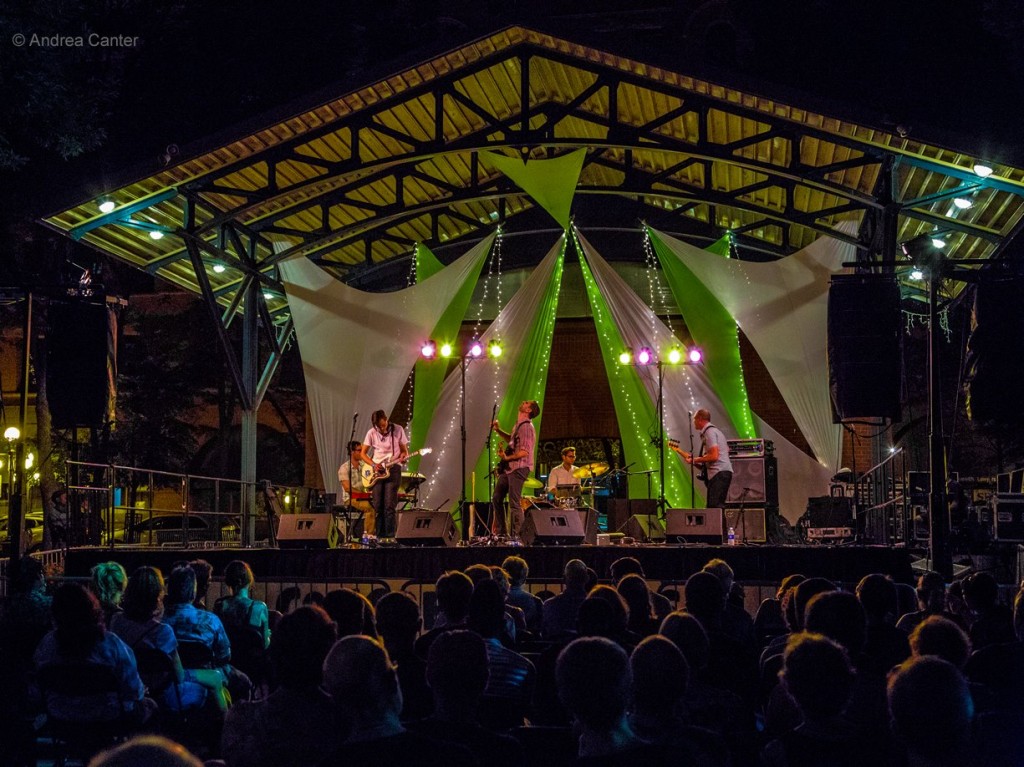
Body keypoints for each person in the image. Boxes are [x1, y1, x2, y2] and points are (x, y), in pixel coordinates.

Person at [490, 399, 540, 538]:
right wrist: (498, 430)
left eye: (527, 403)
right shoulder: (518, 425)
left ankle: (519, 536)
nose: (523, 402)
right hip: (510, 468)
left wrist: (506, 458)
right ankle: (502, 533)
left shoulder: (527, 427)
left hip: (520, 468)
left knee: (514, 502)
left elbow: (524, 452)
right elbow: (512, 441)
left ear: (529, 410)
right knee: (497, 498)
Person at [670, 408, 733, 509]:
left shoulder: (709, 432)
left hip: (719, 473)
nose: (693, 422)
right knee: (714, 508)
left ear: (700, 419)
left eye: (694, 419)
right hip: (720, 473)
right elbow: (710, 460)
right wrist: (694, 461)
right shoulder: (714, 431)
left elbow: (714, 456)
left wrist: (695, 459)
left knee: (714, 508)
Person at [361, 410, 409, 539]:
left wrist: (403, 456)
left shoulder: (398, 430)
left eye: (383, 425)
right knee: (378, 505)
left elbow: (404, 450)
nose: (382, 429)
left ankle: (390, 537)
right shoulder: (371, 433)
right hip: (377, 471)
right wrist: (373, 465)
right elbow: (363, 453)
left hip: (393, 468)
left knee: (389, 505)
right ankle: (380, 537)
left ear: (386, 419)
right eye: (379, 427)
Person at [338, 440, 375, 538]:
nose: (362, 453)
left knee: (380, 506)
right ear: (352, 452)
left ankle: (380, 535)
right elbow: (347, 488)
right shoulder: (344, 468)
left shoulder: (364, 466)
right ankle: (369, 536)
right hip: (350, 498)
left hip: (363, 496)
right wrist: (362, 494)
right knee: (369, 508)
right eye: (359, 450)